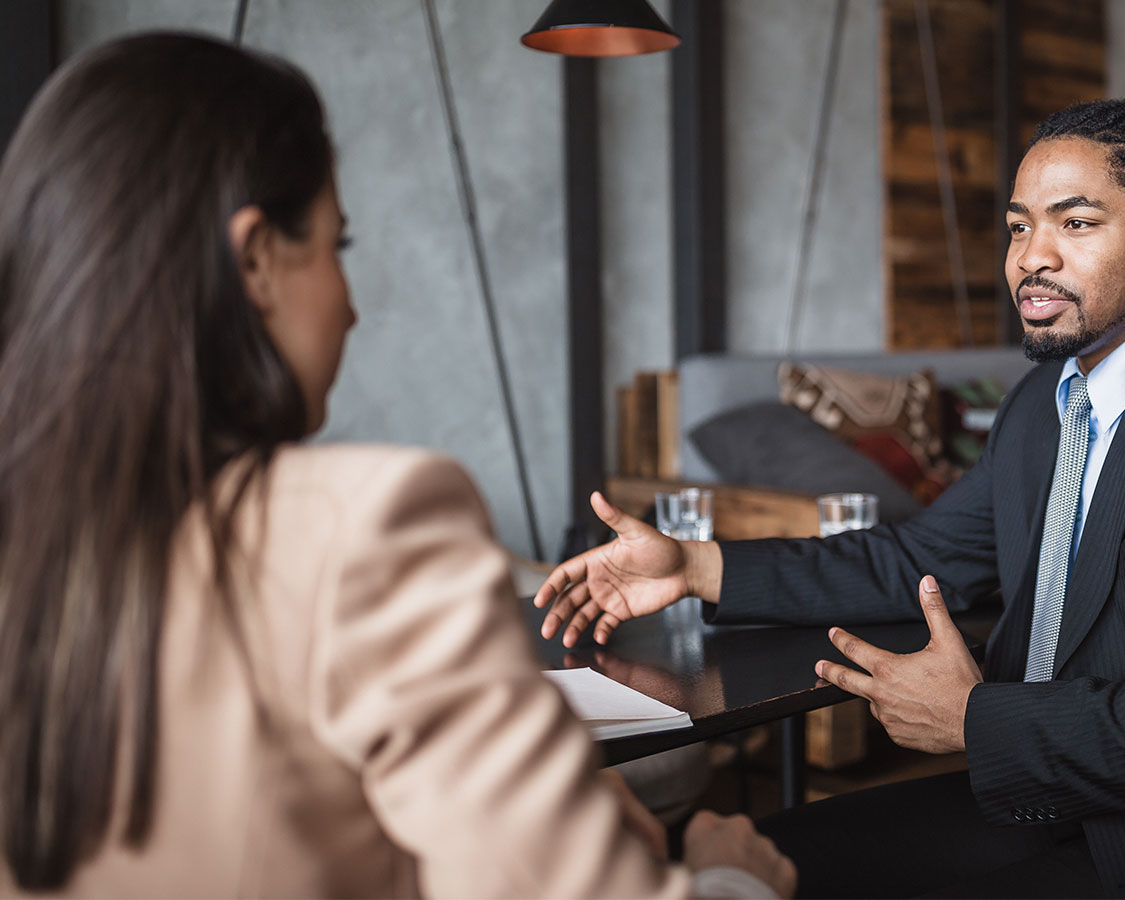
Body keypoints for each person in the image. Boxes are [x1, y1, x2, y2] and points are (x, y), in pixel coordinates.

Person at [538, 98, 1125, 898]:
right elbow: (917, 557)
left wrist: (974, 719)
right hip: (1065, 798)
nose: (1031, 258)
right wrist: (693, 565)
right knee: (758, 862)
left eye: (1076, 223)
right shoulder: (1049, 401)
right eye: (1017, 227)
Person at [0, 33, 794, 899]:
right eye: (337, 248)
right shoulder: (364, 526)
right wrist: (728, 876)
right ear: (256, 258)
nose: (350, 306)